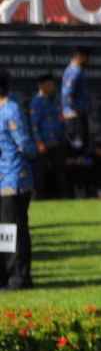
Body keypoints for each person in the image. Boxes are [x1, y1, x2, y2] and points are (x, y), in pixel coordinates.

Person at [0, 74, 37, 289]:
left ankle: (20, 276)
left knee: (15, 228)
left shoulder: (11, 110)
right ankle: (6, 273)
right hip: (3, 178)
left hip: (15, 178)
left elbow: (24, 143)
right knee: (5, 229)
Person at [28, 75, 64, 199]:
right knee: (40, 172)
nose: (52, 87)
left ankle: (61, 196)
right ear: (42, 86)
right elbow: (34, 125)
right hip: (44, 142)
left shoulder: (54, 100)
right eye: (49, 84)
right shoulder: (36, 102)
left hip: (56, 141)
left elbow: (59, 119)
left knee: (59, 171)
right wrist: (39, 142)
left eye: (52, 84)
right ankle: (39, 197)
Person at [60, 46, 90, 150]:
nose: (87, 60)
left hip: (76, 114)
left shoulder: (74, 70)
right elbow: (67, 93)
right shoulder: (74, 71)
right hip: (74, 116)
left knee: (81, 147)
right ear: (79, 57)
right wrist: (72, 111)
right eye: (86, 57)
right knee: (77, 149)